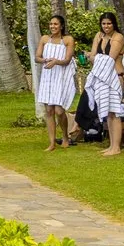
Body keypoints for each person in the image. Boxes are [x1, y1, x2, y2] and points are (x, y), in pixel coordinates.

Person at [88, 12, 124, 155]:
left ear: (114, 24)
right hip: (102, 78)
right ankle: (112, 145)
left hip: (116, 77)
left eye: (109, 23)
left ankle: (116, 147)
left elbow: (110, 58)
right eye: (104, 23)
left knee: (114, 112)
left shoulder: (118, 37)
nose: (106, 26)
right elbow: (92, 56)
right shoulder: (98, 36)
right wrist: (94, 57)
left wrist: (95, 57)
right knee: (108, 112)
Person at [34, 15, 79, 150]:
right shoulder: (44, 39)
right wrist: (45, 60)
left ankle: (65, 137)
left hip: (61, 76)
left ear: (61, 26)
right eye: (51, 24)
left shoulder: (67, 40)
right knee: (49, 110)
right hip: (48, 76)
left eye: (55, 24)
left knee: (59, 111)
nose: (53, 26)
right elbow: (37, 57)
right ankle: (52, 142)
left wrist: (56, 62)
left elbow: (67, 59)